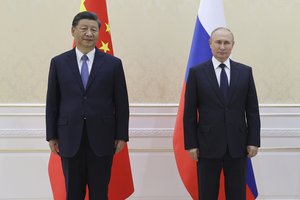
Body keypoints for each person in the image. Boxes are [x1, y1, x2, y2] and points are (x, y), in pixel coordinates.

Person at [45, 11, 129, 200]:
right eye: (84, 29)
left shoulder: (113, 64)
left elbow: (121, 103)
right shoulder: (58, 63)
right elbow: (52, 102)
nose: (89, 33)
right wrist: (51, 135)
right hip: (69, 137)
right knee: (73, 193)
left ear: (99, 33)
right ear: (73, 31)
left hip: (102, 138)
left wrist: (122, 135)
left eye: (93, 29)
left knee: (100, 193)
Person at [183, 27, 260, 200]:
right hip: (206, 146)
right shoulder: (197, 73)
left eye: (227, 42)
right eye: (218, 42)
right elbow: (189, 113)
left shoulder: (245, 72)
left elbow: (252, 110)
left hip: (238, 145)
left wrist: (253, 141)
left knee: (237, 194)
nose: (222, 47)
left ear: (233, 45)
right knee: (207, 193)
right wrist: (191, 144)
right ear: (210, 44)